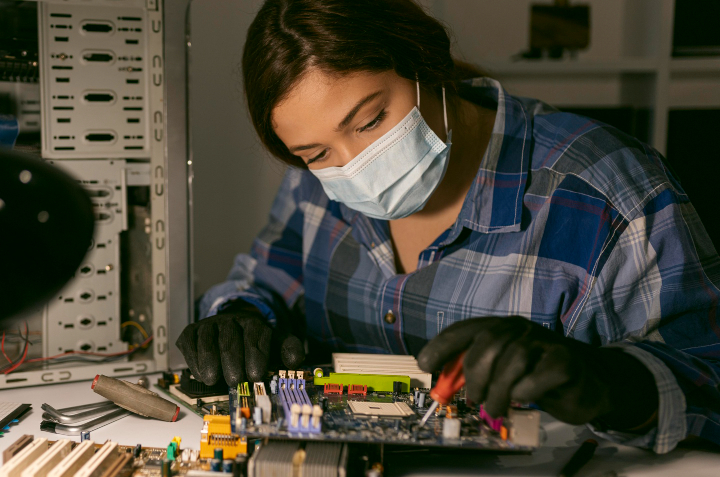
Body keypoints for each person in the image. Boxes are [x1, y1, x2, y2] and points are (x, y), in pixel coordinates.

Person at [176, 0, 720, 453]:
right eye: (316, 153)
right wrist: (238, 315)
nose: (352, 166)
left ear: (426, 63)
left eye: (369, 122)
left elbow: (709, 384)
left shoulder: (608, 193)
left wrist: (606, 381)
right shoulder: (315, 185)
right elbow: (264, 282)